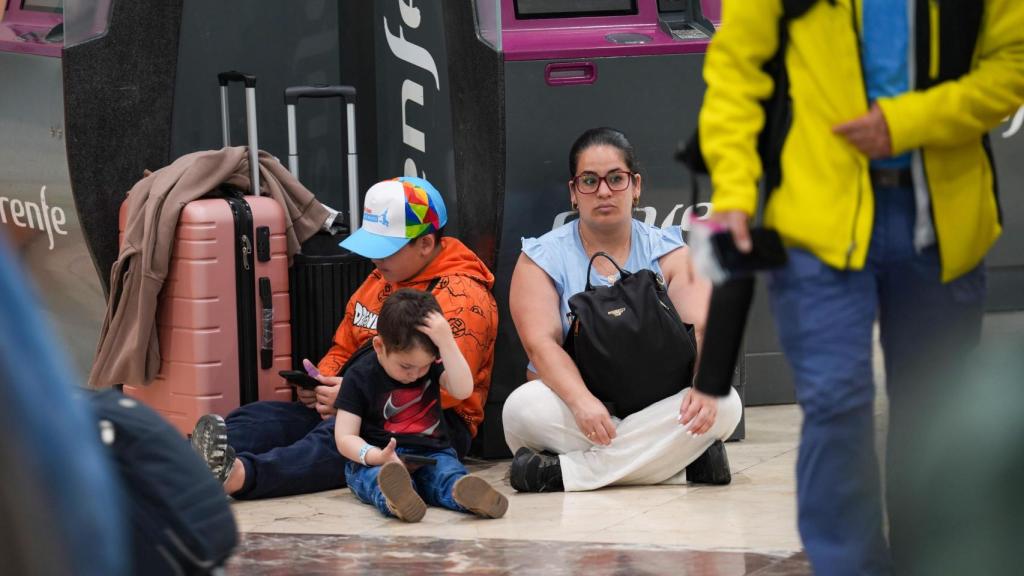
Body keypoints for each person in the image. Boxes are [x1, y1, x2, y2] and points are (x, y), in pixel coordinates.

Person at [698, 1, 1024, 574]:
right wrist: (734, 186)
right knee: (834, 404)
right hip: (816, 222)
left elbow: (1014, 65)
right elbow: (736, 69)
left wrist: (907, 122)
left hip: (943, 223)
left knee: (935, 415)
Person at [191, 177, 498, 500]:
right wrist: (323, 383)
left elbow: (447, 388)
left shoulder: (462, 296)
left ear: (425, 243)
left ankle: (239, 476)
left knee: (330, 440)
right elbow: (345, 344)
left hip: (431, 423)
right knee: (258, 416)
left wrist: (354, 395)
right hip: (357, 400)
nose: (375, 259)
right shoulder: (383, 276)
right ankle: (185, 461)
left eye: (386, 249)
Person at [502, 127, 742, 493]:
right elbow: (541, 347)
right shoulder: (540, 259)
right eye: (589, 180)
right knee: (521, 409)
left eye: (616, 178)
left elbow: (706, 330)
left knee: (725, 403)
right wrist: (583, 404)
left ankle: (563, 474)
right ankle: (684, 467)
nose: (603, 191)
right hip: (579, 408)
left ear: (636, 186)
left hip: (660, 401)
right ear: (573, 192)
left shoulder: (672, 252)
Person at [335, 288, 507, 522]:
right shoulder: (359, 376)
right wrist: (374, 455)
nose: (415, 375)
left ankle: (467, 495)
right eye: (406, 366)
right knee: (375, 479)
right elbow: (345, 437)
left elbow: (463, 389)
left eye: (423, 366)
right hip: (380, 459)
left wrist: (446, 341)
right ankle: (397, 499)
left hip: (432, 454)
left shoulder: (431, 366)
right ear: (379, 346)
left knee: (447, 475)